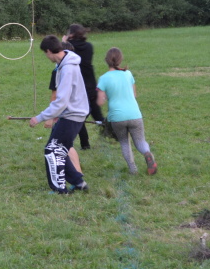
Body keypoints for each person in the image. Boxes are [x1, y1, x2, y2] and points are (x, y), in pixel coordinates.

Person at [29, 35, 90, 193]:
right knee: (59, 149)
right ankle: (78, 182)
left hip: (73, 115)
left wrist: (39, 117)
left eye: (45, 53)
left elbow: (61, 101)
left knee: (52, 151)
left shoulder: (67, 68)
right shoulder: (64, 64)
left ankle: (59, 190)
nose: (46, 57)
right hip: (70, 114)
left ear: (49, 51)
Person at [96, 47, 157, 175]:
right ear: (120, 59)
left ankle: (133, 169)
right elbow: (134, 94)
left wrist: (106, 96)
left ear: (106, 60)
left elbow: (100, 102)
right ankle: (147, 153)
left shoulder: (103, 78)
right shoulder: (128, 74)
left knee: (124, 142)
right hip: (134, 114)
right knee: (140, 141)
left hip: (117, 117)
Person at [62, 24, 104, 150]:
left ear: (71, 34)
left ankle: (85, 144)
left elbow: (63, 56)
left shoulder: (69, 48)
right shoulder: (88, 46)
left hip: (79, 86)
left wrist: (64, 42)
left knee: (79, 117)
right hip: (91, 83)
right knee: (97, 115)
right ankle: (113, 134)